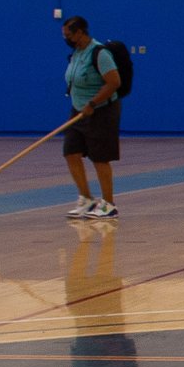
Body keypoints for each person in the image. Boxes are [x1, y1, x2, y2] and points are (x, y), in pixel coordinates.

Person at [61, 16, 122, 220]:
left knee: (100, 157)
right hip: (78, 111)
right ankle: (87, 199)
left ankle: (108, 204)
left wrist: (93, 103)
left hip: (100, 110)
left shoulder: (99, 53)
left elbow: (114, 82)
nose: (66, 39)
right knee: (71, 152)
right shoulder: (76, 54)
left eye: (68, 35)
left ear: (80, 32)